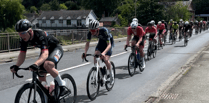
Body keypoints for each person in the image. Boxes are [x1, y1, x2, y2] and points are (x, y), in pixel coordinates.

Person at [10, 19, 68, 96]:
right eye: (19, 33)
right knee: (40, 74)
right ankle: (49, 95)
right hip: (45, 50)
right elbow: (22, 54)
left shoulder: (40, 34)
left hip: (55, 48)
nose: (21, 35)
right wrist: (17, 66)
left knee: (47, 64)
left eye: (23, 33)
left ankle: (62, 85)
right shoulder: (23, 39)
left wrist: (35, 64)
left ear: (30, 31)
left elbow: (45, 54)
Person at [82, 20, 114, 85]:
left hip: (108, 43)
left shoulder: (104, 31)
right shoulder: (90, 32)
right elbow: (87, 43)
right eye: (91, 30)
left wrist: (104, 53)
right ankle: (100, 72)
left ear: (97, 29)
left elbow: (109, 45)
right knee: (95, 55)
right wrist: (85, 52)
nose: (92, 32)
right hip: (101, 42)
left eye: (93, 31)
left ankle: (111, 75)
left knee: (105, 59)